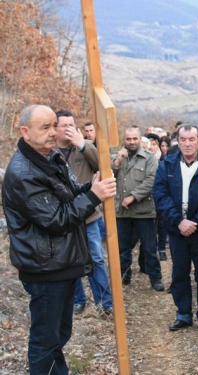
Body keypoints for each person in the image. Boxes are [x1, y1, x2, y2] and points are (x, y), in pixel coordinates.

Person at [2, 105, 116, 374]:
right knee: (46, 340)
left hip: (60, 263)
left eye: (55, 125)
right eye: (45, 127)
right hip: (45, 268)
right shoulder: (24, 172)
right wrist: (93, 197)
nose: (54, 133)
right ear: (25, 132)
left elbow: (69, 193)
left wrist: (91, 187)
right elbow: (56, 219)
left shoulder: (50, 157)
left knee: (60, 334)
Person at [153, 124, 198, 331]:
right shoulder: (167, 164)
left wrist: (196, 222)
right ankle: (183, 313)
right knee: (179, 273)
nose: (187, 144)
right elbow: (160, 195)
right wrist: (179, 221)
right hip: (177, 230)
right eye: (182, 140)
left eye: (191, 139)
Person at [55, 110, 113, 316]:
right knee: (69, 261)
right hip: (63, 218)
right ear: (55, 127)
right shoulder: (49, 150)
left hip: (88, 216)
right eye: (64, 125)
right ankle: (78, 300)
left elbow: (104, 167)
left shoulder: (84, 147)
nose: (69, 128)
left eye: (72, 124)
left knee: (95, 259)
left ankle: (105, 303)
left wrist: (83, 144)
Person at [112, 127, 164, 291]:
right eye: (129, 139)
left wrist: (133, 196)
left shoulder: (149, 158)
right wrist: (118, 161)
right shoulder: (117, 157)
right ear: (124, 140)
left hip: (144, 210)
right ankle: (124, 277)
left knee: (149, 248)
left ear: (139, 139)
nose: (132, 142)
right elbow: (107, 174)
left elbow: (151, 180)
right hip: (122, 212)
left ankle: (155, 279)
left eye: (135, 139)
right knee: (122, 248)